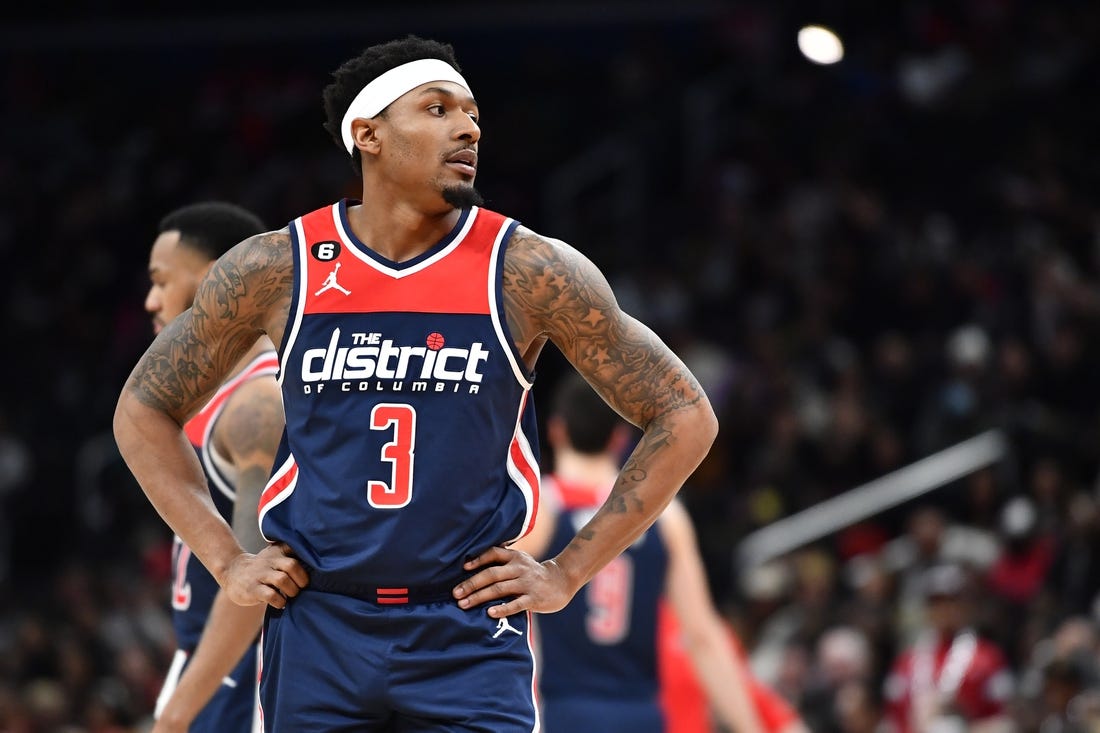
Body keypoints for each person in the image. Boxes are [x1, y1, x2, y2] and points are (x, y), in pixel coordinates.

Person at [113, 35, 718, 731]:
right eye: (437, 109)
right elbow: (142, 408)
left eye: (473, 115)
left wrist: (567, 571)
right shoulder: (279, 267)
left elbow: (684, 412)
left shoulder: (526, 269)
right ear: (367, 135)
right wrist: (225, 557)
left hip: (466, 628)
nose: (467, 128)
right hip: (319, 623)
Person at [512, 373, 804, 733]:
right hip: (640, 715)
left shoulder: (540, 509)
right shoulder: (664, 515)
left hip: (562, 710)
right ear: (620, 438)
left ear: (556, 430)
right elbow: (702, 637)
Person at [141, 201, 283, 733]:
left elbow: (254, 580)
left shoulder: (259, 403)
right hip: (211, 670)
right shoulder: (213, 397)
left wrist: (178, 714)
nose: (151, 300)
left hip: (244, 683)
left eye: (161, 281)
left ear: (210, 285)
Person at [882, 563, 1015, 733]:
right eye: (937, 603)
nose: (944, 610)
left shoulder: (988, 659)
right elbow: (891, 721)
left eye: (951, 601)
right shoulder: (907, 663)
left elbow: (1005, 722)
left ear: (965, 606)